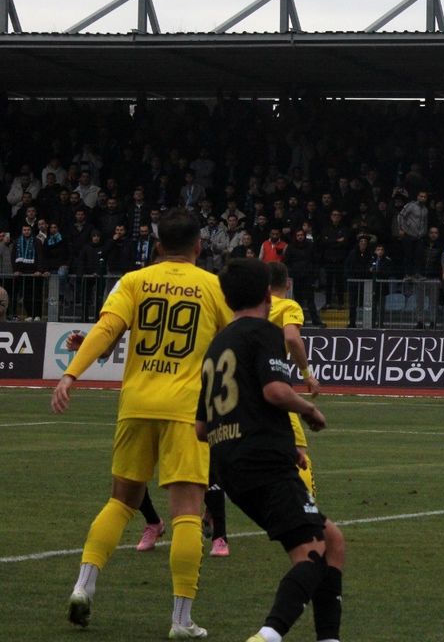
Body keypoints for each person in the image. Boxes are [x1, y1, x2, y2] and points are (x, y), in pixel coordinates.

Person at [50, 208, 233, 638]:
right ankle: (181, 620)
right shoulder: (213, 287)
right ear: (199, 246)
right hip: (186, 410)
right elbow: (237, 339)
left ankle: (83, 586)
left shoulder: (134, 281)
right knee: (187, 512)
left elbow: (106, 329)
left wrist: (71, 373)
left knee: (121, 501)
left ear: (158, 246)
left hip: (136, 403)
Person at [197, 258, 346, 641]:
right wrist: (309, 410)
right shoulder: (264, 332)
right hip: (262, 462)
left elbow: (201, 427)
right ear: (268, 294)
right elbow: (275, 391)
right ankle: (268, 636)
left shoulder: (217, 344)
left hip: (230, 467)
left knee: (332, 540)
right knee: (311, 552)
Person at [268, 262, 324, 497]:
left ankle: (213, 509)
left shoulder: (250, 308)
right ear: (288, 284)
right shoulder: (288, 306)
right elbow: (292, 338)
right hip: (274, 383)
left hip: (242, 386)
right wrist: (307, 374)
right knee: (298, 450)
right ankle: (306, 508)